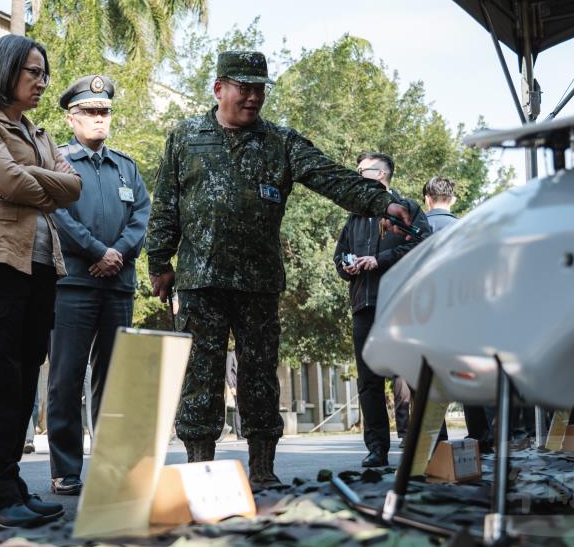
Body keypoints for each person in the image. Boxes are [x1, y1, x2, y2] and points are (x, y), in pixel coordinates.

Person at [146, 51, 413, 491]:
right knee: (200, 376)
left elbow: (334, 178)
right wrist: (159, 262)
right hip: (200, 282)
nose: (253, 98)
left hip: (258, 283)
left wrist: (383, 202)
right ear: (219, 88)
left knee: (259, 376)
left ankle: (263, 469)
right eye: (243, 88)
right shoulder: (185, 137)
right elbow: (166, 206)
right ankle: (199, 467)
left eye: (260, 90)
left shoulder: (281, 141)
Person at [0, 34, 82, 529]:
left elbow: (72, 188)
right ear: (6, 71)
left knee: (21, 381)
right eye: (33, 72)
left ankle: (11, 484)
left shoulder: (41, 133)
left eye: (43, 73)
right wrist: (41, 182)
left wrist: (29, 177)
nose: (41, 81)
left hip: (39, 268)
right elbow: (8, 182)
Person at [46, 75, 151, 496]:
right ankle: (66, 470)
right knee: (66, 378)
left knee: (115, 379)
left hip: (118, 285)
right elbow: (56, 212)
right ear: (72, 118)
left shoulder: (126, 166)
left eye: (104, 111)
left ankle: (112, 468)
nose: (98, 118)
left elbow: (141, 215)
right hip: (74, 283)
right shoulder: (59, 162)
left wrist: (117, 254)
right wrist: (95, 252)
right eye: (89, 112)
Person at [334, 152, 431, 468]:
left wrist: (380, 260)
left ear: (380, 174)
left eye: (361, 170)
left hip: (402, 304)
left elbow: (424, 245)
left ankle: (432, 444)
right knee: (368, 381)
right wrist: (347, 266)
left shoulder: (408, 209)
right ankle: (377, 448)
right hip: (364, 304)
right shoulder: (355, 217)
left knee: (417, 375)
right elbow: (339, 257)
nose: (357, 174)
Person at [422, 176, 493, 452]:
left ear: (427, 198)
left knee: (431, 378)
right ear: (452, 199)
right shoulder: (467, 228)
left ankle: (435, 440)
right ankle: (482, 436)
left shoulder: (418, 227)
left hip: (430, 311)